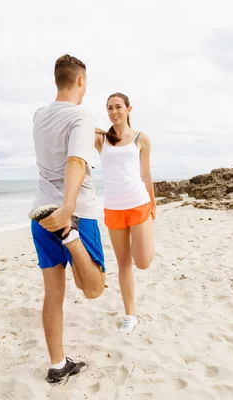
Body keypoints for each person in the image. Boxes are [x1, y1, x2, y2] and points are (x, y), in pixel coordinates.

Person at [29, 54, 106, 384]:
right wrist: (68, 210)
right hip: (74, 212)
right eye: (85, 83)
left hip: (39, 213)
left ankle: (58, 365)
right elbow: (75, 161)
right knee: (94, 287)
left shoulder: (39, 116)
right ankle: (72, 239)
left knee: (53, 294)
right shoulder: (81, 117)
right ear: (79, 81)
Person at [94, 92, 156, 333]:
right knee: (123, 264)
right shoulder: (101, 140)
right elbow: (80, 126)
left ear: (129, 109)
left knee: (142, 262)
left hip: (139, 204)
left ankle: (148, 240)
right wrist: (96, 130)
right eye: (109, 107)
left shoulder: (141, 138)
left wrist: (153, 204)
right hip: (113, 208)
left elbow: (146, 175)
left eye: (118, 107)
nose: (113, 111)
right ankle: (130, 315)